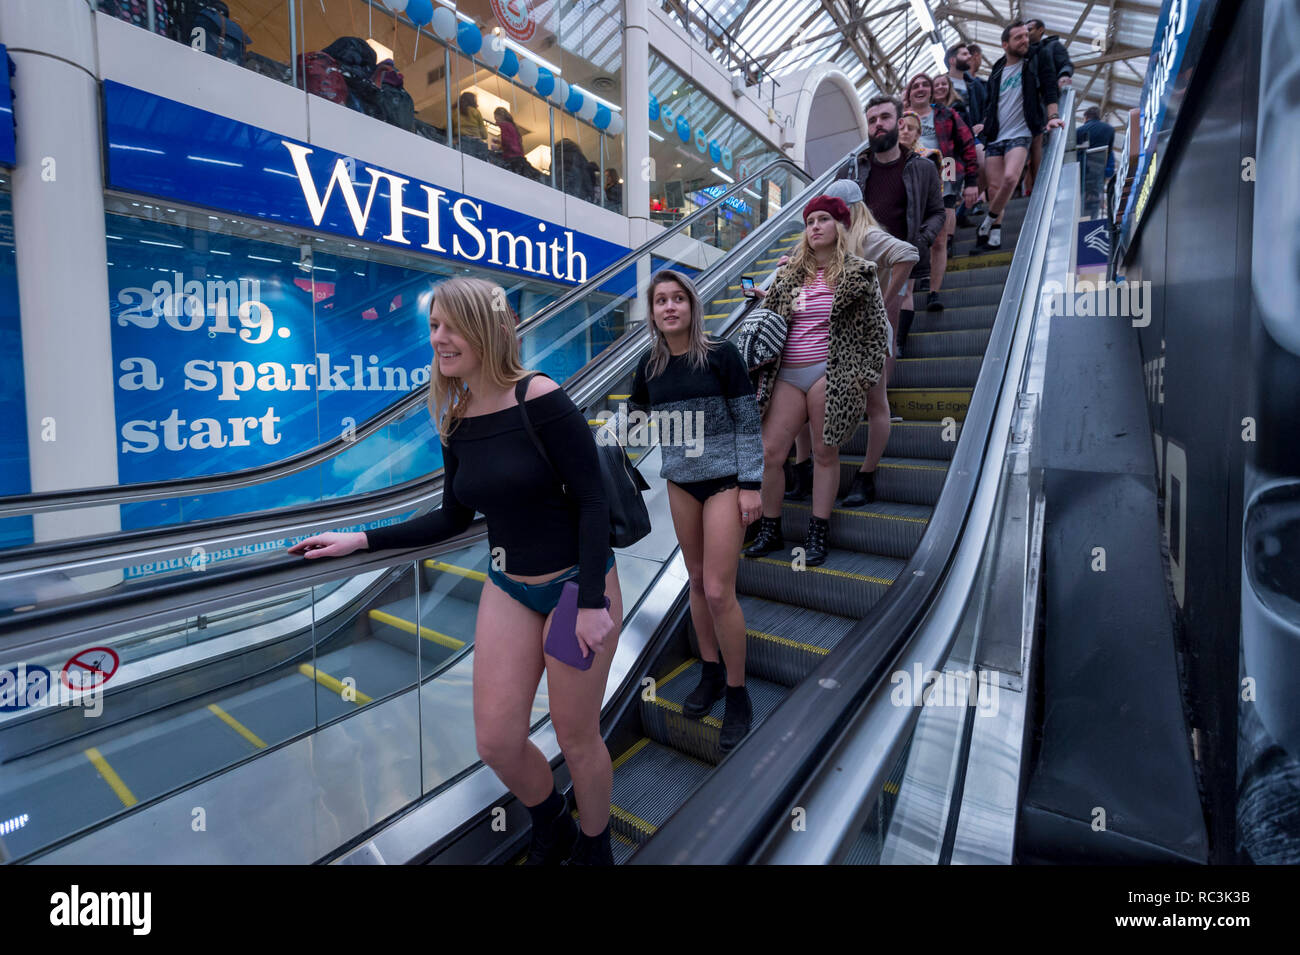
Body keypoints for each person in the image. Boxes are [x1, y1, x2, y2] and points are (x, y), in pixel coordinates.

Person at [288, 277, 621, 866]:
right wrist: (361, 539)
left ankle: (596, 848)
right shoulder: (458, 415)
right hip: (510, 586)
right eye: (433, 326)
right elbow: (451, 517)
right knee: (496, 741)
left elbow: (593, 499)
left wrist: (593, 599)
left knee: (576, 736)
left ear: (489, 329)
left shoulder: (539, 397)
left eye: (450, 326)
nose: (438, 339)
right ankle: (554, 823)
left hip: (575, 589)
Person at [604, 270, 763, 750]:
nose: (669, 307)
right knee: (695, 581)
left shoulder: (720, 355)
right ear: (652, 312)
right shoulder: (650, 366)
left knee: (718, 590)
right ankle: (711, 672)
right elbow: (632, 416)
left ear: (692, 306)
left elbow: (747, 420)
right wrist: (586, 443)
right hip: (681, 483)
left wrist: (752, 484)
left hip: (724, 483)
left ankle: (738, 691)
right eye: (660, 301)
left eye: (678, 299)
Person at [743, 196, 889, 566]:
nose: (815, 227)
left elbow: (875, 331)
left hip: (830, 372)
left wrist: (861, 375)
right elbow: (774, 315)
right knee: (771, 452)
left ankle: (818, 529)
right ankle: (770, 528)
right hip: (787, 373)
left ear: (840, 226)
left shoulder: (860, 272)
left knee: (825, 453)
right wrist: (765, 297)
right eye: (809, 222)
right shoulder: (790, 272)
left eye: (824, 219)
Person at [779, 180, 917, 504]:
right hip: (834, 337)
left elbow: (909, 253)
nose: (819, 224)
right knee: (804, 402)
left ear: (846, 211)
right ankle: (803, 468)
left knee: (875, 403)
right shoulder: (830, 243)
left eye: (826, 216)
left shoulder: (867, 236)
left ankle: (866, 476)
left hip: (867, 333)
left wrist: (885, 298)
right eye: (815, 219)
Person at [835, 94, 944, 355]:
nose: (878, 124)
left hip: (896, 259)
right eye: (872, 120)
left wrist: (921, 239)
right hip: (855, 261)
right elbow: (830, 214)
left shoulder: (923, 168)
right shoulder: (852, 169)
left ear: (898, 122)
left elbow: (937, 212)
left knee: (887, 332)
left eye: (885, 117)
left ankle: (887, 380)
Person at [976, 20, 1063, 252]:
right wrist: (984, 123)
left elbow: (1049, 87)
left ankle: (986, 221)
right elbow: (992, 101)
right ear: (1005, 44)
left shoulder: (1037, 58)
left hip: (1021, 132)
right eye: (1018, 38)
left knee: (1010, 179)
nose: (1024, 40)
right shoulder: (997, 68)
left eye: (1026, 35)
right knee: (994, 188)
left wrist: (1053, 115)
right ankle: (994, 233)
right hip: (995, 135)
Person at [909, 72, 978, 306]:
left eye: (924, 85)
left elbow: (968, 146)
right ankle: (912, 284)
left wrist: (971, 182)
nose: (920, 88)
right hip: (911, 187)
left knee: (939, 240)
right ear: (908, 93)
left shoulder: (947, 115)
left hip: (943, 183)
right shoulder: (902, 120)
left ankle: (933, 292)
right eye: (915, 85)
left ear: (931, 91)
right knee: (914, 237)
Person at [1025, 18, 1074, 195]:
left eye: (1030, 29)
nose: (1026, 33)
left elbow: (1065, 64)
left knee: (1042, 143)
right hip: (1029, 106)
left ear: (1041, 30)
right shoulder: (1024, 55)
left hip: (1047, 101)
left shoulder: (1053, 47)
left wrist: (1064, 76)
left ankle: (1039, 186)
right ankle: (1029, 187)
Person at [1076, 106, 1116, 218]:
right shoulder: (1109, 130)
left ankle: (1080, 219)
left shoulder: (1080, 130)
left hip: (1082, 173)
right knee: (1094, 202)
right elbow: (1109, 154)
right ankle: (1091, 220)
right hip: (1098, 174)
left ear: (1086, 117)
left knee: (1080, 199)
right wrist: (1107, 172)